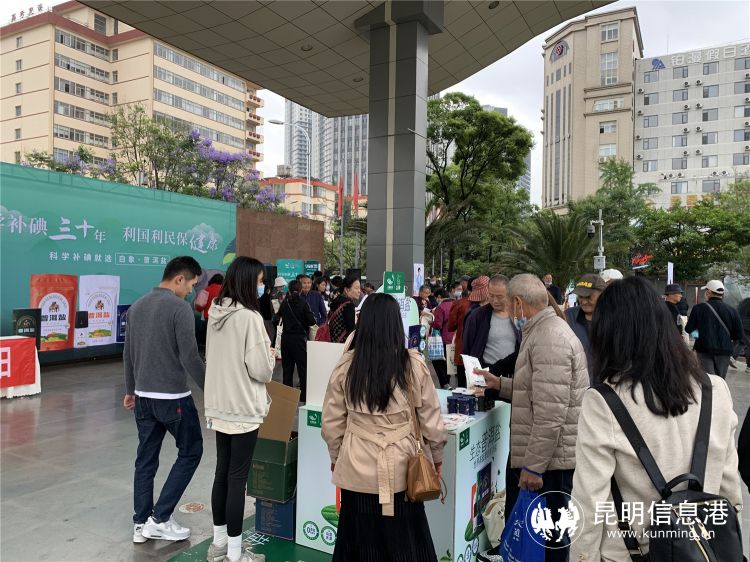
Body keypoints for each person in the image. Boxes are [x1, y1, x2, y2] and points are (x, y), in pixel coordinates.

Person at [570, 277, 742, 561]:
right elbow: (729, 485)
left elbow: (589, 500)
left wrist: (581, 557)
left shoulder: (603, 401)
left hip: (632, 552)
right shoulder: (715, 390)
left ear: (608, 333)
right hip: (703, 549)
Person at [321, 293, 447, 562]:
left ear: (363, 323)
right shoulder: (413, 364)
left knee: (359, 544)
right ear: (395, 325)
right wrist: (437, 456)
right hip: (403, 468)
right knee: (406, 545)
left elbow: (332, 423)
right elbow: (431, 419)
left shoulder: (346, 365)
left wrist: (336, 456)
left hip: (356, 467)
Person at [476, 274, 588, 562]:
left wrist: (534, 468)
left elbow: (550, 413)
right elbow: (538, 391)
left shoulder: (549, 338)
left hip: (550, 463)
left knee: (548, 537)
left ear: (517, 302)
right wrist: (500, 384)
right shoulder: (543, 330)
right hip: (550, 457)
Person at [123, 256, 205, 543]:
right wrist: (211, 389)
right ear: (180, 278)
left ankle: (141, 522)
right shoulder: (179, 308)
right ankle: (159, 518)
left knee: (145, 459)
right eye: (192, 285)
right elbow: (190, 357)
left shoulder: (137, 306)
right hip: (173, 398)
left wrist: (130, 389)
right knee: (191, 451)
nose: (192, 291)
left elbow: (128, 353)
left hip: (143, 398)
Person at [204, 257, 275, 562]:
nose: (262, 287)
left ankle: (219, 544)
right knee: (237, 478)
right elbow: (261, 370)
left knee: (222, 472)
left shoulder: (215, 312)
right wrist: (270, 355)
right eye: (260, 281)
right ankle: (235, 554)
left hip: (219, 404)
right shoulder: (249, 318)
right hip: (243, 407)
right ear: (248, 281)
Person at [463, 275, 520, 379]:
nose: (495, 301)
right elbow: (467, 347)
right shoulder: (477, 316)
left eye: (499, 297)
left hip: (513, 374)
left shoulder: (519, 314)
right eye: (491, 295)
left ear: (509, 294)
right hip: (486, 372)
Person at [685, 280, 744, 378]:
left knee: (707, 380)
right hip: (724, 351)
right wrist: (725, 338)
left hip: (704, 350)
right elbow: (739, 335)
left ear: (708, 292)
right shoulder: (732, 310)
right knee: (720, 381)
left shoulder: (698, 308)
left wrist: (698, 336)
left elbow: (689, 329)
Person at [275, 279, 316, 402]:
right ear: (300, 289)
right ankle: (303, 396)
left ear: (289, 289)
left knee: (287, 369)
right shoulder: (303, 303)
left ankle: (287, 397)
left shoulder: (285, 302)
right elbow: (312, 321)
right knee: (303, 369)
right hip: (299, 340)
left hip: (286, 339)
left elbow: (276, 318)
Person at [565, 273, 606, 380]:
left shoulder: (615, 318)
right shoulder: (568, 317)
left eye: (588, 297)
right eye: (580, 296)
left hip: (606, 384)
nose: (583, 301)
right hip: (578, 383)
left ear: (603, 295)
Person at [448, 277, 474, 388]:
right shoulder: (488, 305)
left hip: (462, 346)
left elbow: (451, 326)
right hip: (482, 351)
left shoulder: (459, 304)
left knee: (462, 382)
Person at [430, 288, 455, 389]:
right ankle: (447, 383)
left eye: (436, 298)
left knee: (437, 360)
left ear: (439, 296)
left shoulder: (440, 307)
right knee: (447, 363)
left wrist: (431, 322)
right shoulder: (454, 304)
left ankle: (444, 383)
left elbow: (438, 325)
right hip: (453, 338)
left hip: (443, 338)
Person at [327, 273, 361, 343]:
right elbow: (350, 331)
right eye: (356, 288)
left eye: (359, 288)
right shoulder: (348, 305)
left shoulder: (336, 301)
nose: (359, 291)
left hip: (332, 341)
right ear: (346, 289)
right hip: (343, 344)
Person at [737, 297, 750, 373]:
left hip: (741, 324)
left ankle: (733, 356)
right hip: (748, 326)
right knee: (748, 345)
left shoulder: (744, 301)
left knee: (741, 342)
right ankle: (749, 366)